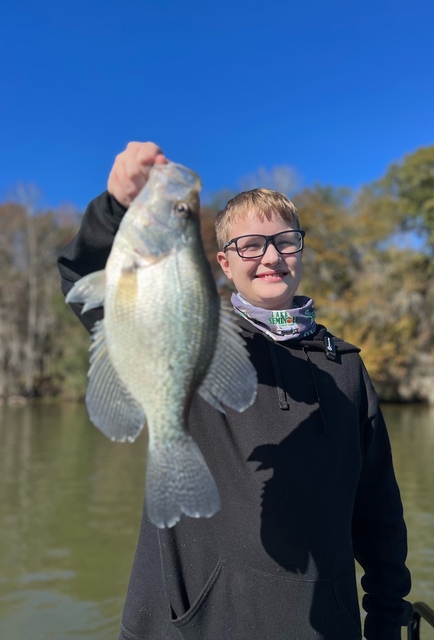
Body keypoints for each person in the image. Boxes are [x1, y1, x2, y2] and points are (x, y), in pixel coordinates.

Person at [58, 141, 412, 640]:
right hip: (192, 625)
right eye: (250, 245)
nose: (270, 256)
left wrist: (387, 614)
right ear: (225, 263)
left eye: (285, 242)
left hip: (324, 626)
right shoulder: (196, 332)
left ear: (301, 250)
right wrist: (115, 206)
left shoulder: (346, 367)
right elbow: (85, 282)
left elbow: (378, 509)